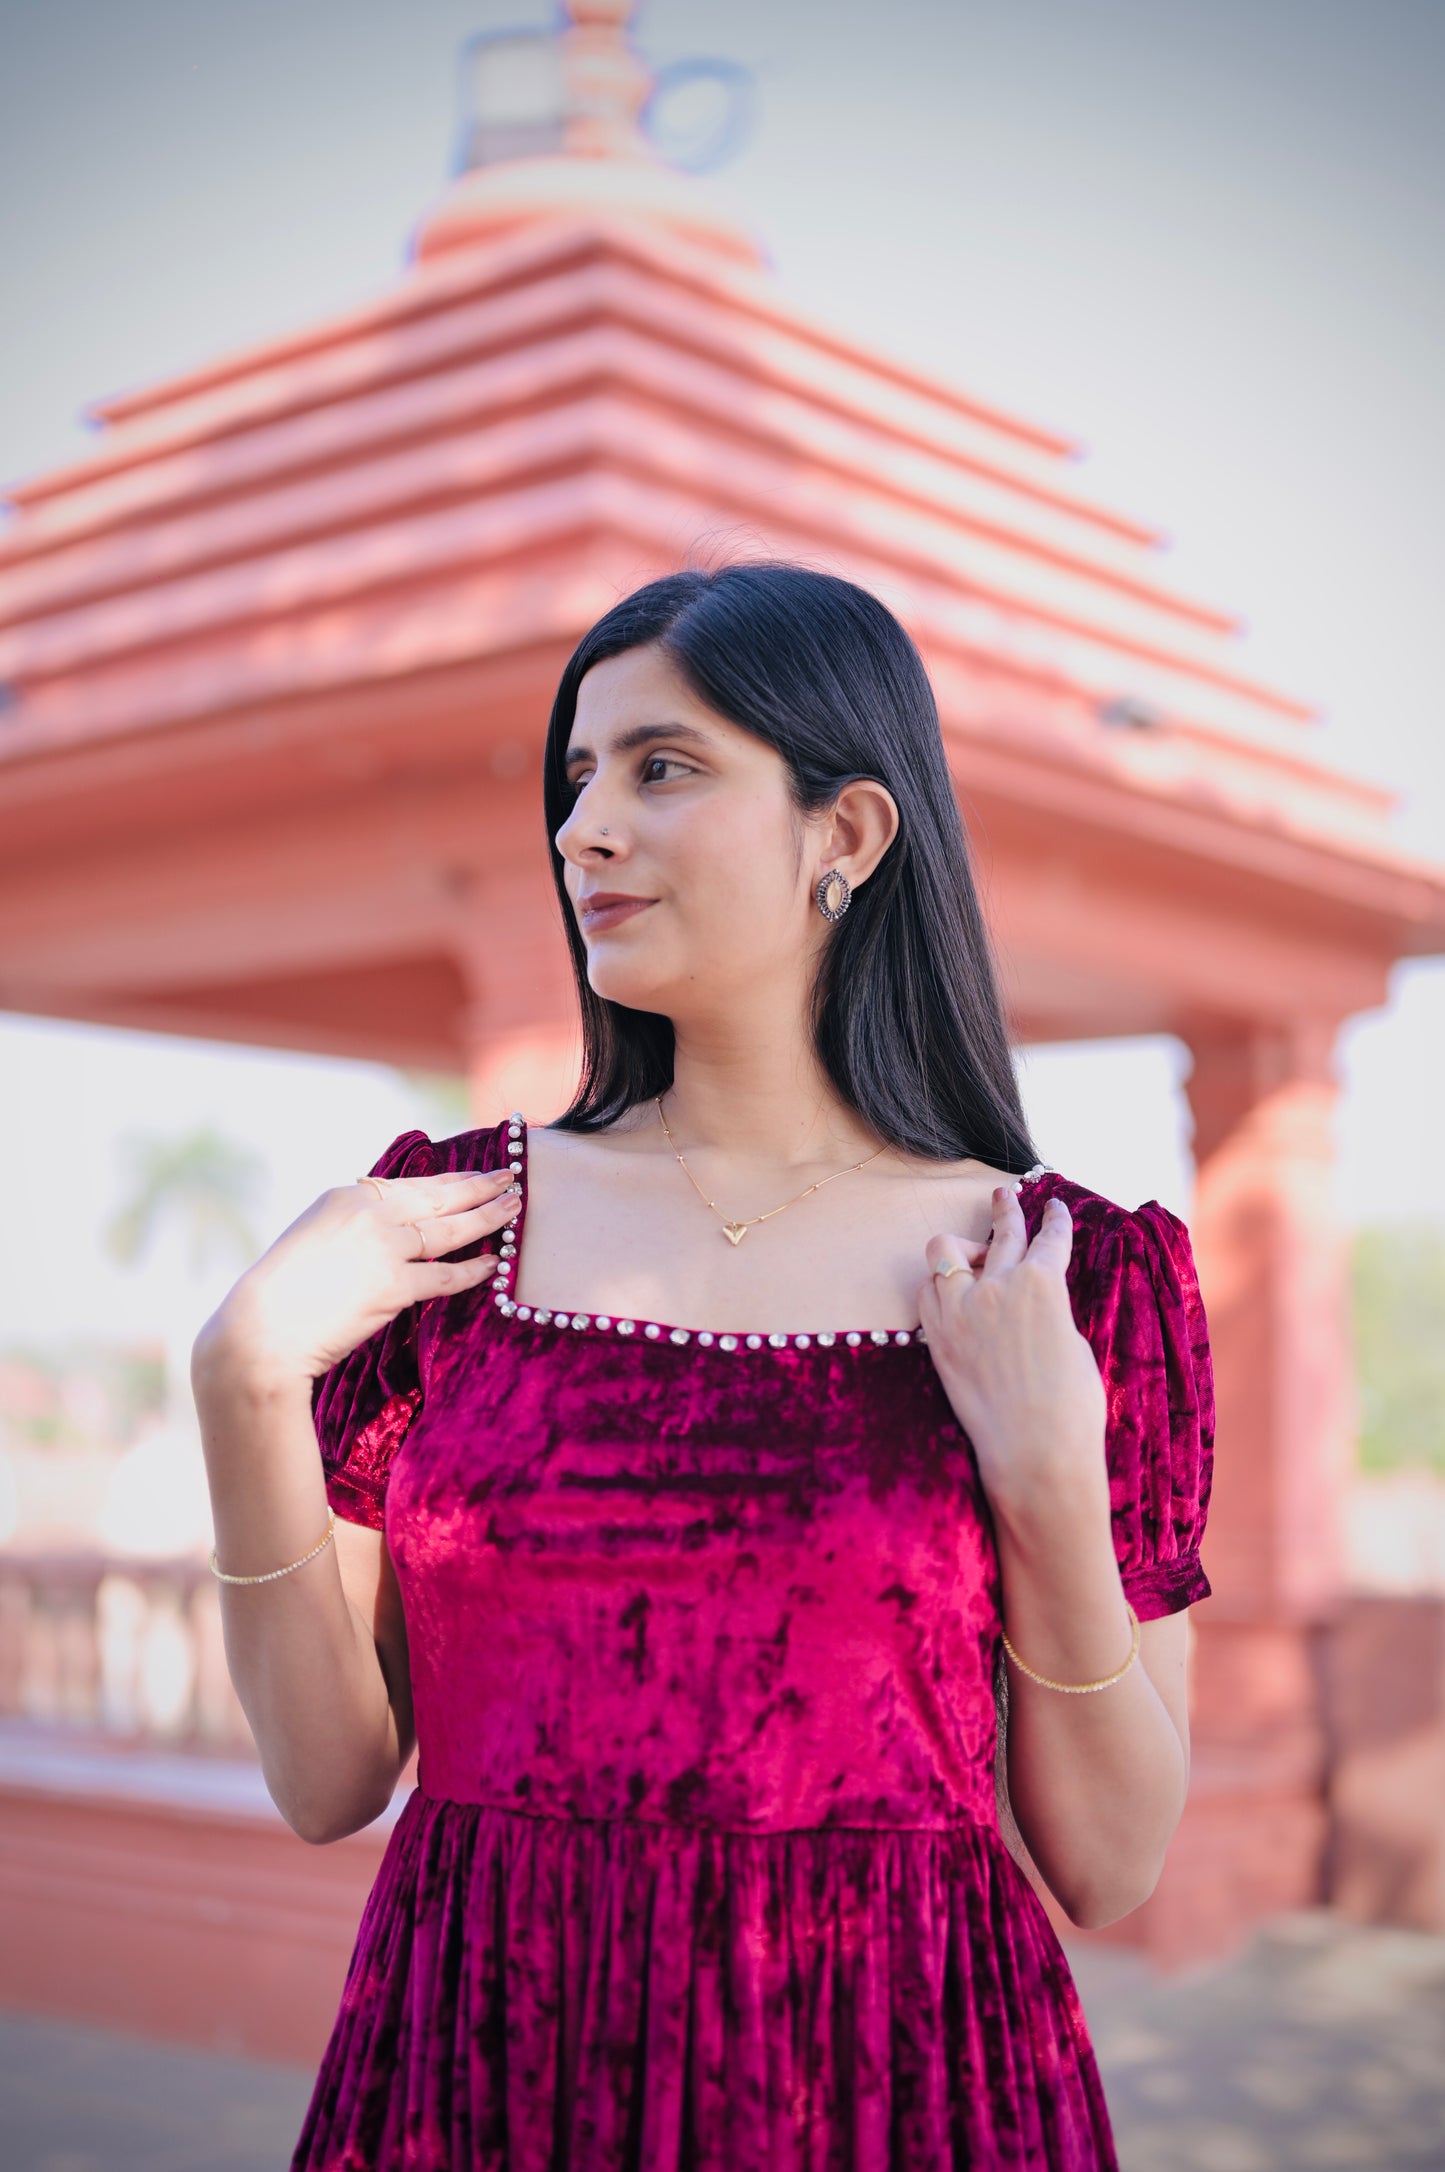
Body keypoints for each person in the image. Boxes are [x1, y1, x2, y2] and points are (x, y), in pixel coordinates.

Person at [193, 562, 1214, 2171]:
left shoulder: (1065, 1279)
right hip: (479, 2070)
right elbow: (328, 1781)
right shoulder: (446, 1230)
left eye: (661, 768)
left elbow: (1111, 1862)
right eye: (576, 777)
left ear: (847, 835)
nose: (582, 827)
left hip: (899, 2084)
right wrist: (241, 1377)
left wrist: (1044, 1479)